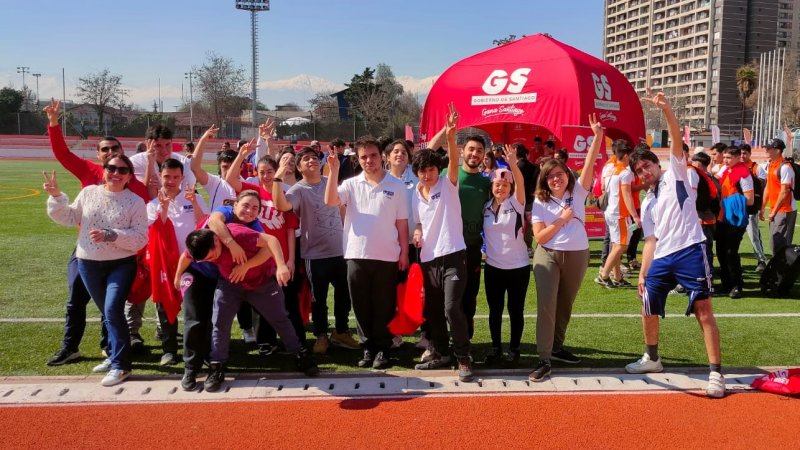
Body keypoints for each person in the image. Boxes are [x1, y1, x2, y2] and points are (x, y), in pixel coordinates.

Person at [627, 91, 724, 399]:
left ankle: (716, 373)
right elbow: (651, 240)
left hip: (690, 250)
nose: (644, 173)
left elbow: (675, 142)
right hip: (662, 258)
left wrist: (667, 110)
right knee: (647, 303)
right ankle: (652, 357)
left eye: (646, 166)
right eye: (639, 171)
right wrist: (643, 272)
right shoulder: (647, 202)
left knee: (703, 309)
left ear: (657, 163)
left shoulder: (676, 174)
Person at [42, 98, 149, 366]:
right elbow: (63, 154)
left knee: (109, 305)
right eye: (105, 151)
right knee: (76, 300)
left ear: (123, 153)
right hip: (86, 250)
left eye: (115, 149)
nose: (111, 157)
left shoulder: (134, 186)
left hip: (120, 253)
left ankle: (109, 347)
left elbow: (141, 225)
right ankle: (70, 347)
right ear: (99, 156)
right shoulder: (89, 173)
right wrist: (54, 123)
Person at [184, 222, 319, 392]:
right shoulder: (200, 243)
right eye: (207, 260)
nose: (212, 260)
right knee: (219, 323)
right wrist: (176, 277)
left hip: (261, 283)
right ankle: (216, 366)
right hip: (230, 283)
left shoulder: (238, 235)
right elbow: (187, 255)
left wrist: (281, 265)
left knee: (280, 320)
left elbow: (271, 240)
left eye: (212, 256)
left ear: (217, 241)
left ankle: (301, 354)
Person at [528, 115, 603, 381]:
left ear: (567, 175)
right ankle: (544, 358)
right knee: (546, 305)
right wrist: (561, 220)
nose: (555, 179)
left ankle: (557, 347)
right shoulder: (539, 201)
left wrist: (597, 137)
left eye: (559, 174)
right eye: (550, 177)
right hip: (547, 255)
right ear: (544, 180)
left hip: (577, 255)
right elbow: (540, 237)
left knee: (565, 304)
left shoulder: (578, 192)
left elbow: (591, 162)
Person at [324, 137, 409, 369]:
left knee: (384, 305)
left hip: (388, 255)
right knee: (361, 305)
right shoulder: (351, 184)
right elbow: (331, 200)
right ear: (357, 159)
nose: (368, 160)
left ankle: (383, 348)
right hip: (356, 254)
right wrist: (332, 171)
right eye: (363, 157)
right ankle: (368, 347)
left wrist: (404, 253)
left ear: (381, 156)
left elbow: (402, 223)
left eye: (372, 155)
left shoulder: (397, 185)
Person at [173, 190, 265, 391]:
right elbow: (192, 249)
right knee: (195, 319)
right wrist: (178, 275)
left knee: (217, 320)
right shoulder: (221, 217)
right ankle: (191, 367)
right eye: (245, 205)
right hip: (198, 273)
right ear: (234, 204)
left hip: (224, 278)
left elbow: (268, 247)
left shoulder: (255, 227)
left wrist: (246, 267)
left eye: (255, 208)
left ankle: (213, 361)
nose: (249, 211)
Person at [270, 147, 359, 354]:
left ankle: (341, 331)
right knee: (318, 299)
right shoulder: (298, 190)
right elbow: (281, 206)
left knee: (344, 295)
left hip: (341, 251)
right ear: (299, 168)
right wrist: (278, 177)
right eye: (305, 159)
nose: (311, 161)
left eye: (313, 157)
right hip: (315, 255)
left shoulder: (331, 182)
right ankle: (321, 335)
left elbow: (343, 209)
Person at [411, 103, 474, 382]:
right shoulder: (415, 193)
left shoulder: (448, 185)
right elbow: (418, 221)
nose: (427, 174)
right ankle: (440, 352)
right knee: (434, 309)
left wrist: (451, 135)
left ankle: (464, 357)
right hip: (428, 258)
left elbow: (454, 160)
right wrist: (416, 230)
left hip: (454, 255)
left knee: (451, 307)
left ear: (438, 169)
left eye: (431, 169)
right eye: (423, 171)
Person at [226, 133, 303, 355]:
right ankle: (265, 343)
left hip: (281, 258)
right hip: (259, 257)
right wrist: (241, 155)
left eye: (270, 172)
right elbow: (231, 180)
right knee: (261, 303)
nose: (266, 176)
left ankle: (295, 341)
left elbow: (290, 228)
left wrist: (289, 259)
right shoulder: (254, 193)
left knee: (288, 301)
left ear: (277, 171)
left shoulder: (283, 193)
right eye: (262, 173)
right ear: (256, 174)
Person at [127, 125, 196, 345]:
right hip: (141, 226)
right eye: (158, 145)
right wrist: (149, 165)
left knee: (167, 283)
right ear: (148, 143)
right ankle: (132, 331)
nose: (164, 150)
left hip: (168, 227)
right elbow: (144, 193)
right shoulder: (135, 162)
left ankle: (165, 329)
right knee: (139, 282)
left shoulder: (181, 161)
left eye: (168, 144)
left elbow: (184, 193)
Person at [146, 158, 207, 366]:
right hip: (166, 265)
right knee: (165, 310)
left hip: (192, 263)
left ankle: (197, 350)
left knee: (194, 309)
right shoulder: (152, 204)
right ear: (159, 177)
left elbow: (204, 225)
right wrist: (162, 209)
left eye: (175, 177)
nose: (171, 181)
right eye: (166, 177)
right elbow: (155, 233)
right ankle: (169, 350)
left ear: (182, 178)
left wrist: (194, 203)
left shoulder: (192, 198)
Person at [481, 146, 529, 367]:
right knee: (495, 310)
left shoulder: (516, 203)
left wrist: (512, 163)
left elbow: (520, 183)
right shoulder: (486, 207)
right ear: (492, 186)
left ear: (510, 187)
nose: (501, 187)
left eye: (505, 184)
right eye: (497, 184)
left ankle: (515, 349)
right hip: (493, 267)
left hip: (518, 267)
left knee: (515, 310)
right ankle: (496, 347)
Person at [596, 140, 640, 287]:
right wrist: (635, 216)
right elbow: (627, 195)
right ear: (626, 156)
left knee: (616, 245)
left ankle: (617, 277)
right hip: (619, 213)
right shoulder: (625, 173)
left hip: (610, 211)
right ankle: (604, 274)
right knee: (621, 246)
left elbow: (603, 186)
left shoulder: (610, 168)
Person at [716, 145, 754, 299]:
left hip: (736, 219)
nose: (725, 160)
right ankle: (726, 284)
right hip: (722, 217)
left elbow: (750, 200)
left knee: (731, 253)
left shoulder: (744, 174)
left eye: (729, 158)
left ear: (739, 158)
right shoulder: (725, 169)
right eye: (724, 157)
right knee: (720, 252)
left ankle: (737, 285)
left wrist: (730, 202)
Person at [761, 138, 797, 256]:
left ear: (777, 151)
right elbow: (768, 187)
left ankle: (784, 272)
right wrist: (762, 207)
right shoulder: (771, 165)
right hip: (776, 210)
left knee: (781, 246)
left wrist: (774, 211)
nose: (766, 150)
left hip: (785, 210)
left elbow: (784, 192)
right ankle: (778, 271)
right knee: (774, 244)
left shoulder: (785, 167)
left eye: (769, 148)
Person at [741, 144, 768, 272]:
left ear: (749, 154)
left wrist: (760, 207)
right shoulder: (734, 168)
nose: (742, 156)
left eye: (745, 153)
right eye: (740, 153)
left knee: (754, 235)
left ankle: (761, 260)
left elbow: (762, 188)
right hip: (737, 209)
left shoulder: (757, 168)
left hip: (751, 209)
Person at [515, 143, 540, 257]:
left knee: (518, 222)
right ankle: (528, 246)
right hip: (531, 199)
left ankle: (519, 245)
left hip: (518, 199)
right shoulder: (533, 166)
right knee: (529, 224)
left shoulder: (516, 167)